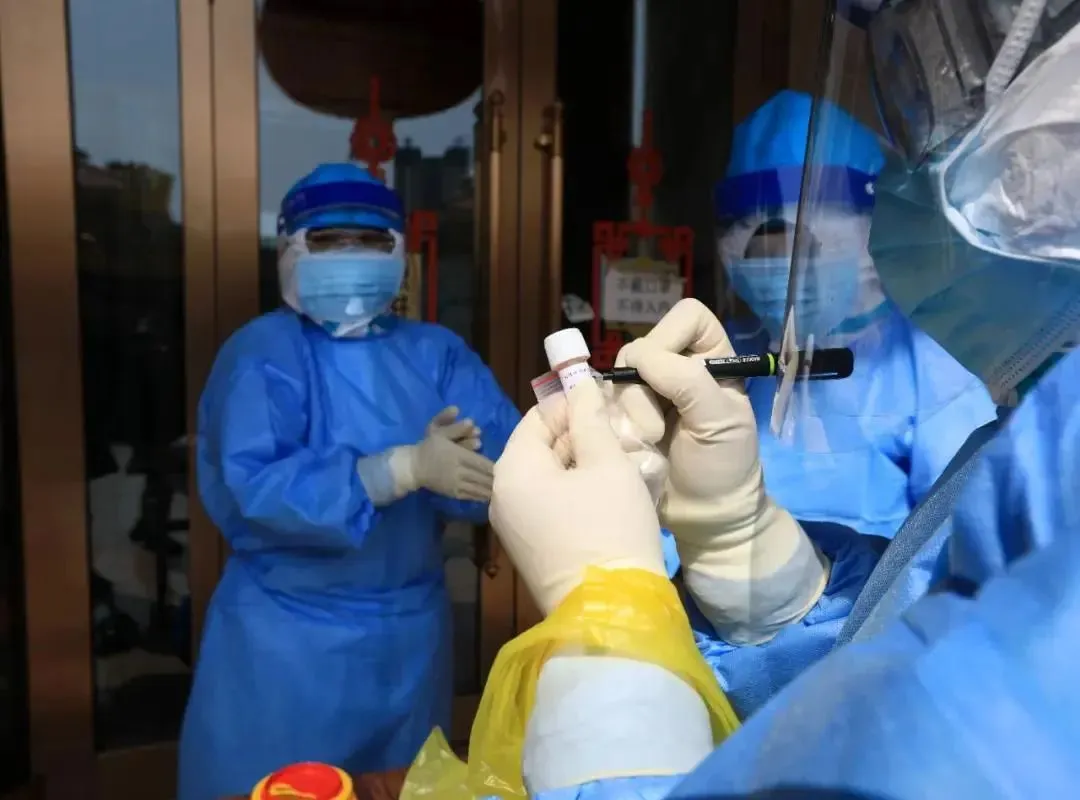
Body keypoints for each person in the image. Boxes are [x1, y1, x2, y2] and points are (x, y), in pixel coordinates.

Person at [405, 0, 1080, 796]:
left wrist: (610, 631)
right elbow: (897, 662)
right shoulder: (1046, 438)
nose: (915, 177)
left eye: (935, 115)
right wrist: (748, 555)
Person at [177, 163, 520, 800]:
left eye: (371, 241)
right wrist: (398, 470)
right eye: (329, 242)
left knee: (405, 787)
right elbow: (258, 487)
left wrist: (478, 475)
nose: (352, 258)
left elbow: (506, 465)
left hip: (410, 643)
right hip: (285, 644)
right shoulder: (261, 355)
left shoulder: (435, 354)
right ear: (288, 251)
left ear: (400, 255)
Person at [715, 89, 996, 540]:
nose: (783, 268)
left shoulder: (929, 372)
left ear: (868, 235)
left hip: (865, 588)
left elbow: (963, 541)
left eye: (802, 244)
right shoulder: (729, 354)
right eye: (764, 248)